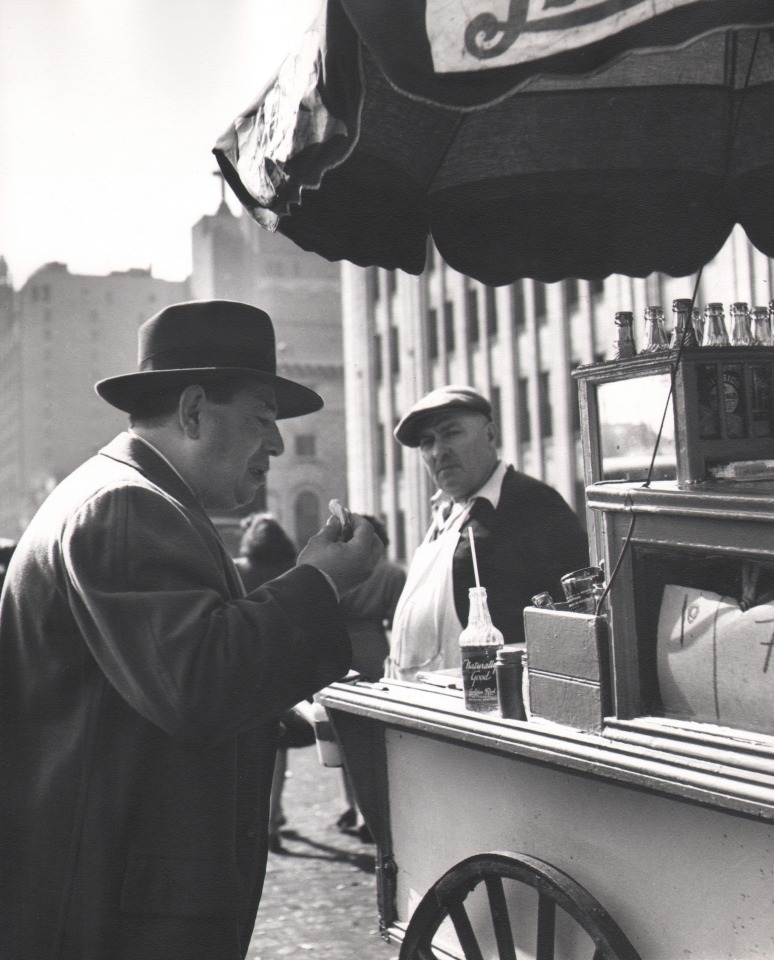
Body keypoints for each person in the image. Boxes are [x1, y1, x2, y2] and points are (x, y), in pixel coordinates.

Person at [0, 299, 383, 960]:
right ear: (195, 410)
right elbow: (197, 684)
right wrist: (319, 580)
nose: (277, 444)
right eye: (263, 417)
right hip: (116, 915)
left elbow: (144, 688)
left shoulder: (133, 497)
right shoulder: (125, 506)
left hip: (112, 893)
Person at [386, 385, 589, 681]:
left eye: (451, 433)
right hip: (422, 697)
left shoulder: (529, 502)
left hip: (485, 700)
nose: (438, 451)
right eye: (427, 441)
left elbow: (574, 619)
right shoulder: (445, 512)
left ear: (491, 434)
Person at [234, 511, 313, 854]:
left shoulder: (237, 568)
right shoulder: (290, 571)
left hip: (240, 666)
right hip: (277, 665)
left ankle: (253, 816)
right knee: (277, 745)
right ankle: (273, 814)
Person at [336, 515, 406, 836]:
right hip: (375, 649)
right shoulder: (392, 574)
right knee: (375, 733)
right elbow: (397, 620)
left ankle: (352, 803)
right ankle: (373, 808)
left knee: (343, 732)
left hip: (341, 652)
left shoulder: (340, 574)